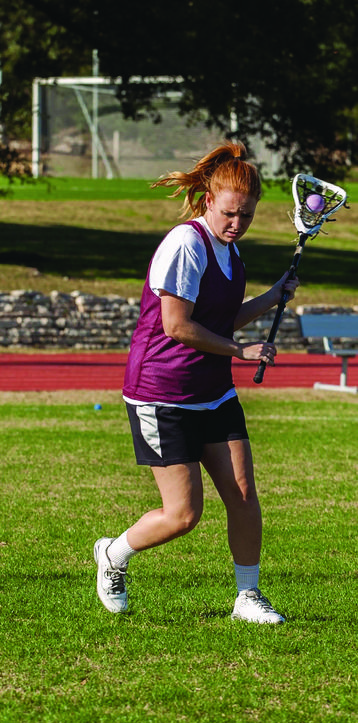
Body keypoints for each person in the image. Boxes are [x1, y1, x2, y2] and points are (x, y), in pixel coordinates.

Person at [94, 141, 298, 624]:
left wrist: (273, 296)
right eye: (230, 213)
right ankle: (112, 554)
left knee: (243, 495)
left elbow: (222, 319)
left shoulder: (231, 251)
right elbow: (177, 325)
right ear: (209, 200)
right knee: (182, 515)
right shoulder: (187, 244)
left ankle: (247, 596)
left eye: (246, 216)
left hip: (212, 391)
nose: (237, 223)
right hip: (161, 393)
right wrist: (240, 351)